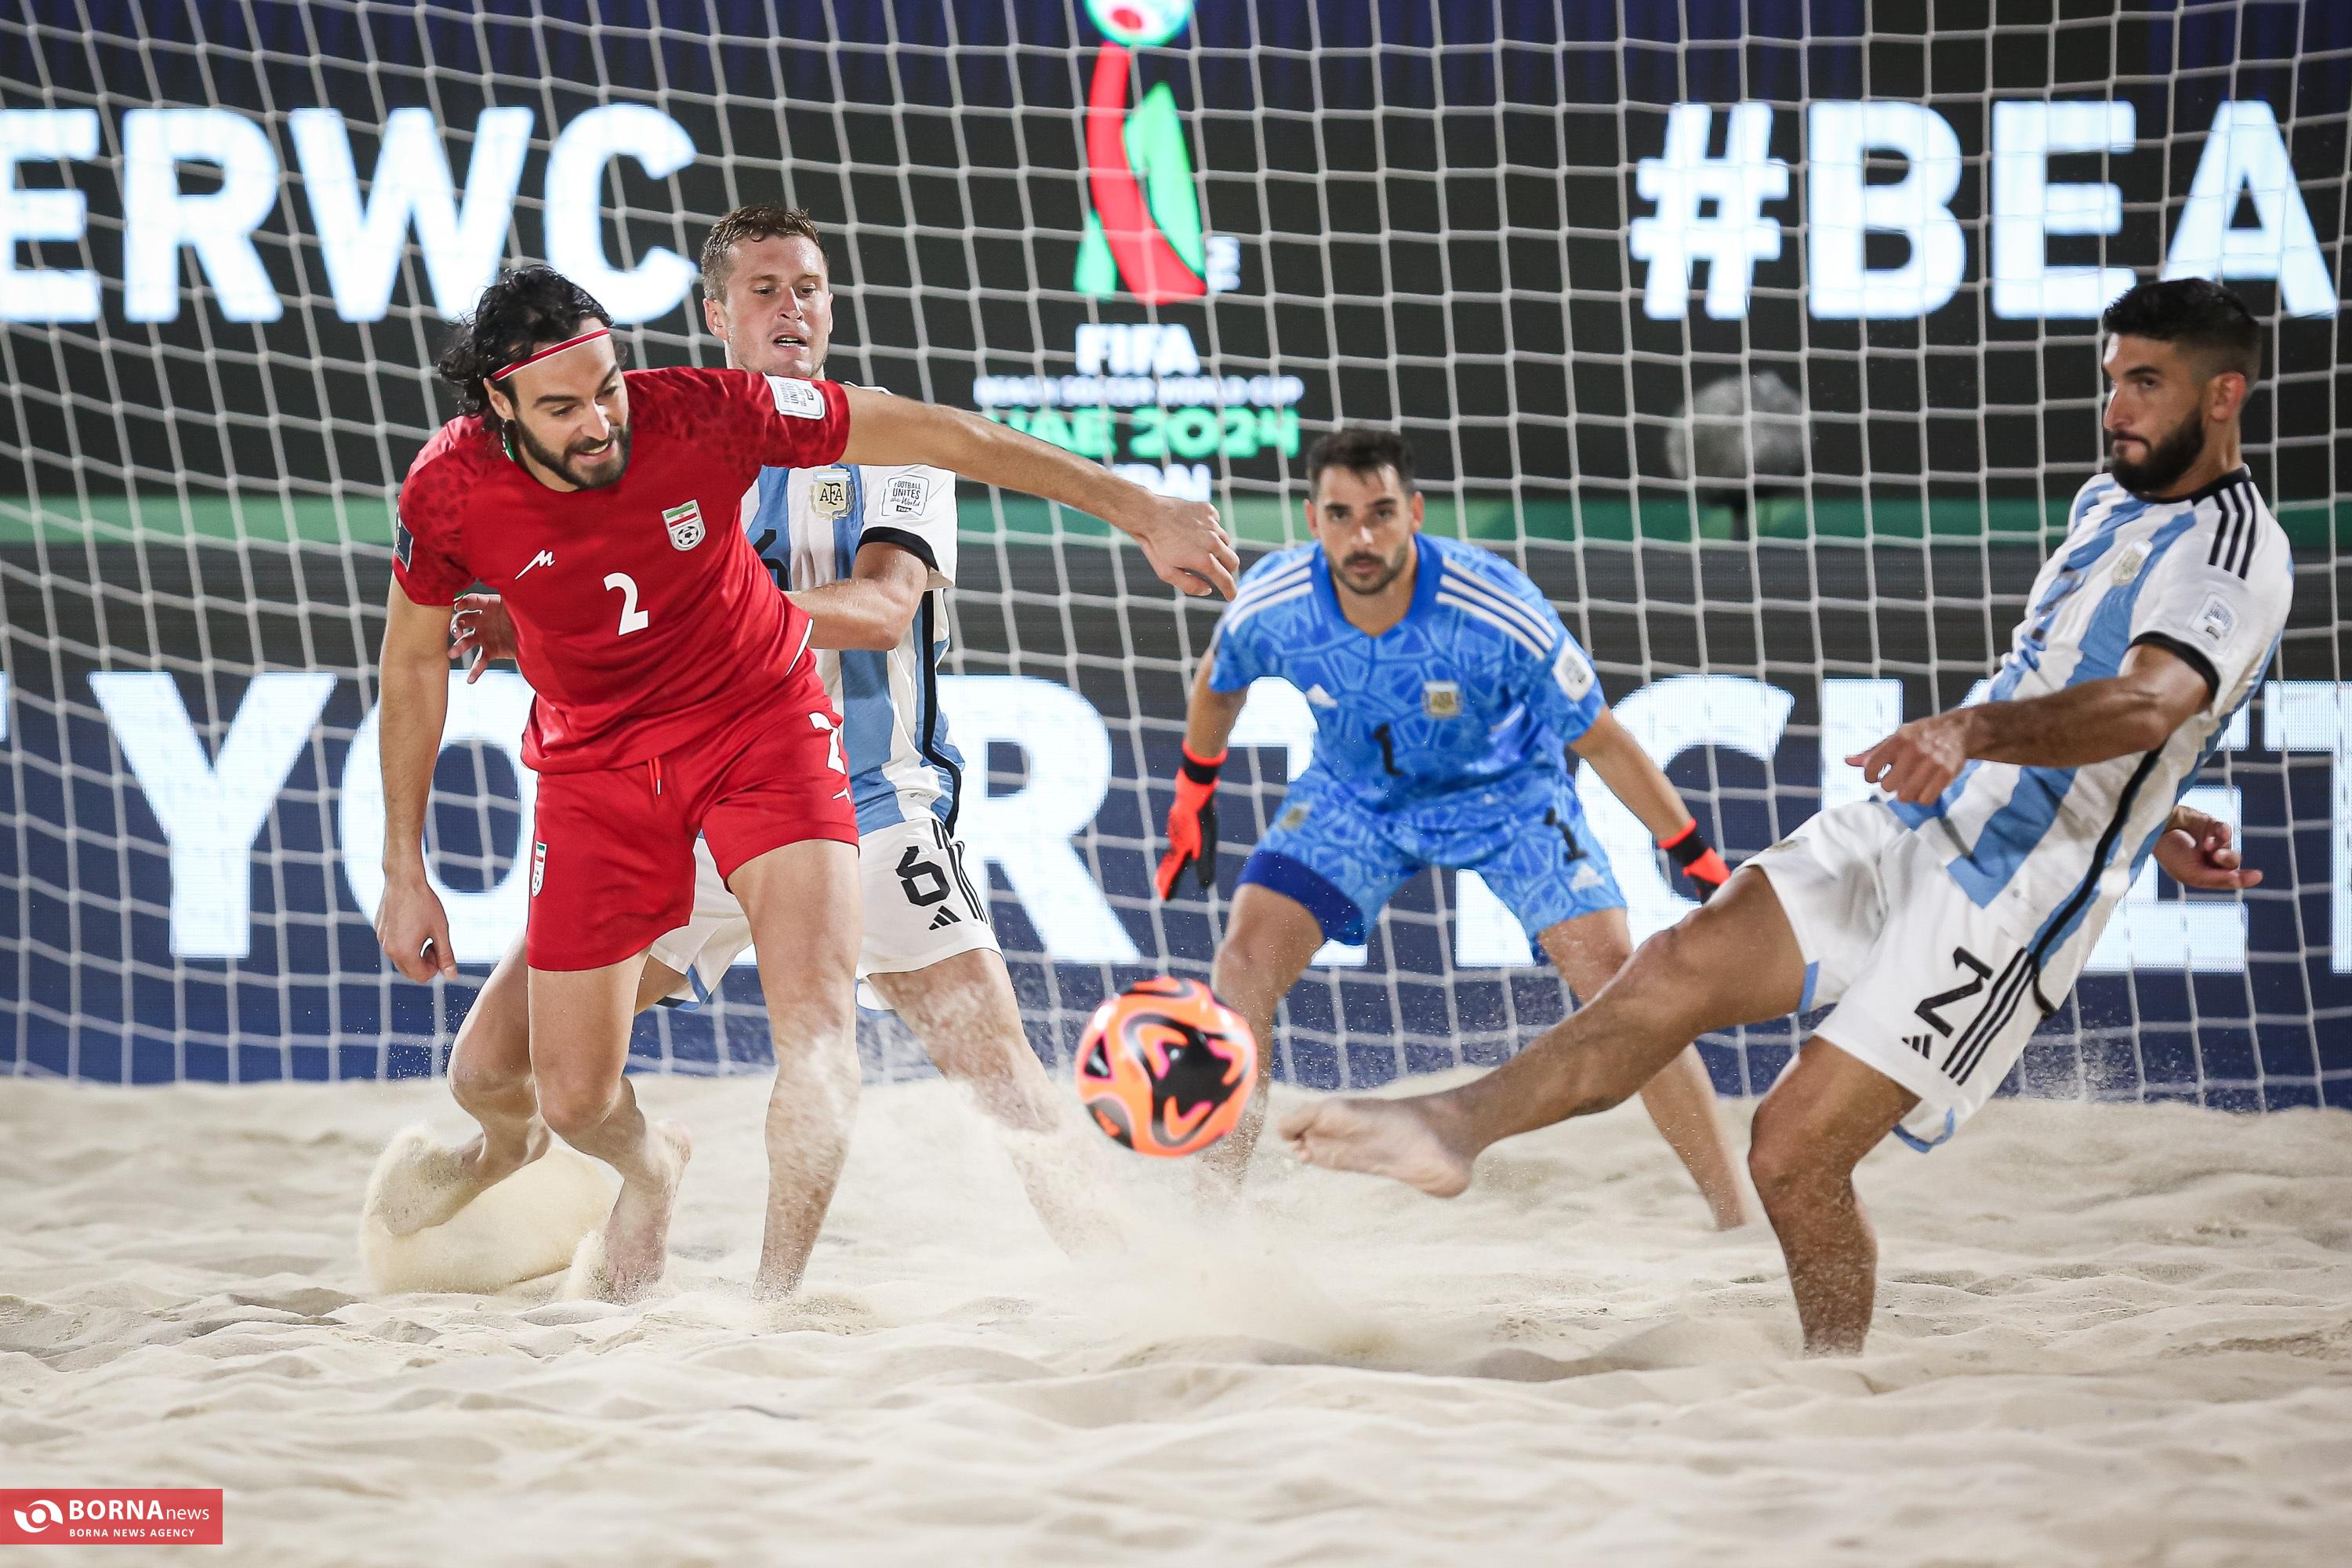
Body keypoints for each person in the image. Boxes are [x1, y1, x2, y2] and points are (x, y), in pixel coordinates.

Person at [1281, 278, 2292, 1355]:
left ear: (2222, 394)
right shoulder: (2110, 502)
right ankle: (1449, 1127)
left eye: (2146, 384)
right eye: (2112, 380)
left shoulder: (2232, 549)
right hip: (1923, 816)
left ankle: (1833, 1382)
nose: (2116, 408)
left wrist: (1998, 743)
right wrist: (2151, 811)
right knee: (1671, 967)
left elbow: (2149, 703)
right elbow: (2094, 701)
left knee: (1793, 1152)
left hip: (2009, 893)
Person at [372, 263, 1236, 1302]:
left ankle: (1121, 1293)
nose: (600, 423)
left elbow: (910, 542)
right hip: (619, 780)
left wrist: (1139, 505)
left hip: (817, 770)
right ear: (716, 314)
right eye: (764, 289)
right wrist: (405, 864)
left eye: (813, 287)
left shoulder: (734, 419)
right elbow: (419, 657)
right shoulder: (462, 482)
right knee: (515, 1077)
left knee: (938, 1060)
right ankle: (609, 1166)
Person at [1156, 426, 1757, 1228]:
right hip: (1355, 797)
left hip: (1505, 796)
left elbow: (1604, 739)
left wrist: (1698, 858)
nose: (1361, 537)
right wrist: (1193, 795)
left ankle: (1735, 1217)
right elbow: (1219, 683)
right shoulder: (1277, 600)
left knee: (1625, 984)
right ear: (1311, 520)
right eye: (1340, 515)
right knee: (1242, 960)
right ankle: (1210, 1216)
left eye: (1380, 513)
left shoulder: (1492, 604)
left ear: (1415, 513)